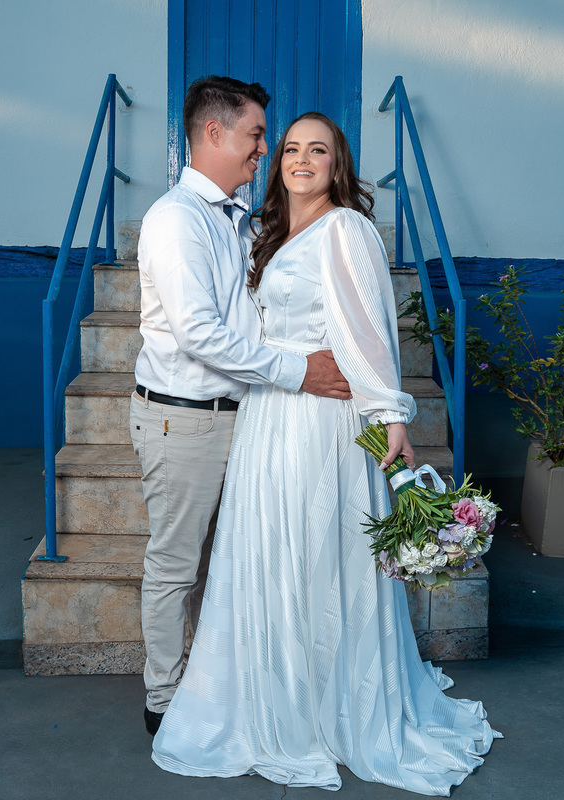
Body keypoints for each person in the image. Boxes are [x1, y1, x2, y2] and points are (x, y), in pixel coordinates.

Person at [150, 112, 501, 795]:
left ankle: (330, 706)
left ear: (338, 164)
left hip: (320, 422)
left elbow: (368, 338)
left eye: (318, 150)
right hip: (267, 418)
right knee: (269, 557)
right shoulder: (270, 233)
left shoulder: (348, 228)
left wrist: (389, 420)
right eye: (289, 148)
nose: (300, 159)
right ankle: (278, 699)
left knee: (319, 555)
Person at [131, 78, 352, 737]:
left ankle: (225, 683)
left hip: (246, 415)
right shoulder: (177, 219)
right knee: (177, 563)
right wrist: (299, 373)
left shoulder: (240, 220)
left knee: (236, 557)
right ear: (214, 134)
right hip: (185, 416)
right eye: (258, 136)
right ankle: (163, 700)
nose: (265, 151)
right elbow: (200, 333)